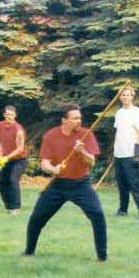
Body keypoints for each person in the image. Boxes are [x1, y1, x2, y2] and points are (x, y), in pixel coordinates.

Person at [24, 104, 108, 262]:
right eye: (75, 118)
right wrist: (53, 169)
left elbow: (91, 162)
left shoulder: (86, 134)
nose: (79, 121)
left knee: (97, 215)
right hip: (58, 184)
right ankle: (29, 251)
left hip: (81, 184)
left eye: (80, 118)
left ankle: (102, 257)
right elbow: (45, 163)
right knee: (37, 217)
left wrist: (82, 152)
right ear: (64, 120)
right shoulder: (51, 136)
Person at [113, 85, 139, 219]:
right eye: (123, 95)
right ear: (120, 97)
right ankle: (123, 210)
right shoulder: (119, 113)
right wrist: (115, 151)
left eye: (128, 95)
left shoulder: (137, 112)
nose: (125, 97)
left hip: (131, 154)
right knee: (121, 184)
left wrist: (137, 154)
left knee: (135, 184)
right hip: (119, 153)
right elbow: (119, 133)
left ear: (132, 96)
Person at [0, 105, 28, 215]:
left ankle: (16, 208)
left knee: (13, 180)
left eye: (11, 115)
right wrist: (0, 154)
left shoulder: (18, 130)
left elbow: (20, 148)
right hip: (7, 160)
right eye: (7, 114)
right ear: (4, 115)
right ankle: (9, 206)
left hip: (19, 160)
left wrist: (7, 157)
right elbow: (2, 141)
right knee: (1, 183)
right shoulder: (0, 125)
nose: (9, 116)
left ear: (15, 115)